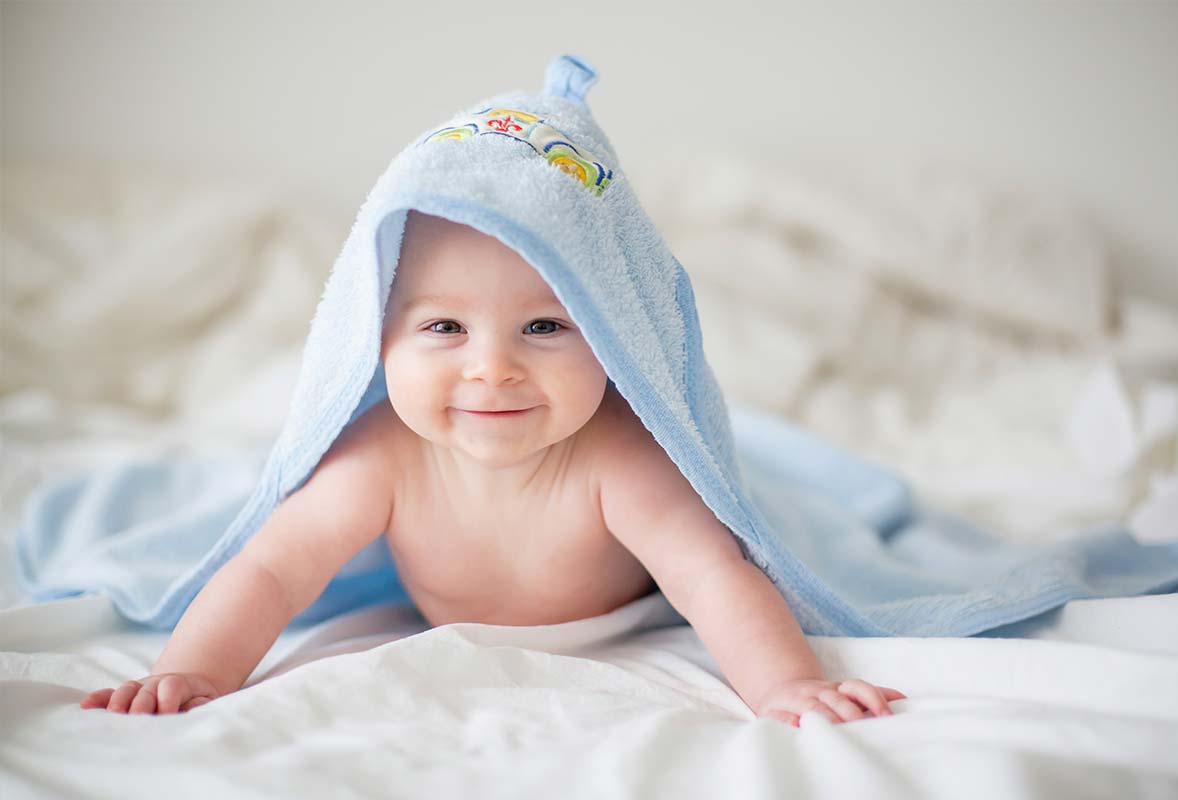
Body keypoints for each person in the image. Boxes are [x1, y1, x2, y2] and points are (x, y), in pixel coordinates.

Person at [80, 208, 905, 726]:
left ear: (615, 343)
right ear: (375, 340)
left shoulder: (621, 456)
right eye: (444, 327)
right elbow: (272, 568)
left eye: (546, 327)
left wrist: (784, 686)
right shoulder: (382, 455)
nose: (492, 369)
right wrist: (193, 672)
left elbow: (712, 577)